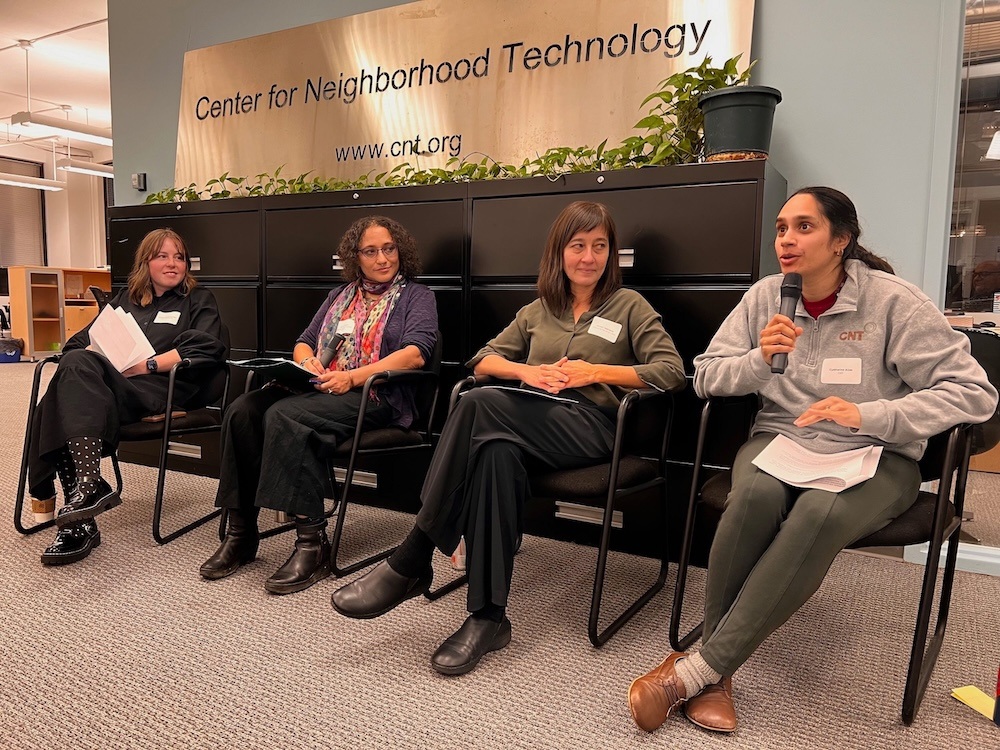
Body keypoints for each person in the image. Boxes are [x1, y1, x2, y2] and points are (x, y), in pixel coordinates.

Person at [627, 187, 999, 734]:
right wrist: (759, 360)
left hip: (877, 454)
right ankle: (718, 675)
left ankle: (698, 670)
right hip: (782, 441)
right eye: (781, 228)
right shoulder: (765, 297)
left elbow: (974, 394)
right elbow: (705, 375)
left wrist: (869, 415)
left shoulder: (894, 302)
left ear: (841, 240)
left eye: (804, 227)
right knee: (752, 497)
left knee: (818, 514)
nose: (787, 240)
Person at [331, 200, 686, 675]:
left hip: (593, 427)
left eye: (599, 246)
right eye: (578, 246)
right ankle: (488, 618)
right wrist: (529, 372)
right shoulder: (538, 311)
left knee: (476, 404)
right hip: (527, 422)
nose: (589, 257)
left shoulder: (629, 306)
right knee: (496, 453)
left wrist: (594, 371)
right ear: (559, 253)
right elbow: (481, 362)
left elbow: (672, 372)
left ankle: (415, 554)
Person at [199, 215, 437, 595]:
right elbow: (305, 340)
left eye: (388, 249)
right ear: (354, 257)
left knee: (286, 416)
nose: (382, 259)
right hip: (322, 388)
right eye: (370, 251)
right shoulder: (339, 297)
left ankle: (312, 545)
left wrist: (352, 377)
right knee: (243, 411)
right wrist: (307, 360)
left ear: (400, 250)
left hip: (376, 397)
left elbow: (415, 355)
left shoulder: (416, 296)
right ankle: (241, 533)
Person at [28, 228, 227, 566]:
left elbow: (209, 347)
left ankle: (80, 505)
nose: (172, 263)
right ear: (145, 262)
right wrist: (104, 353)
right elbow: (77, 343)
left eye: (179, 256)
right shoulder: (126, 300)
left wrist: (146, 364)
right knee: (74, 370)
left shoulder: (198, 299)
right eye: (162, 256)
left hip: (162, 390)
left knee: (58, 398)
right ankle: (84, 502)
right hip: (113, 388)